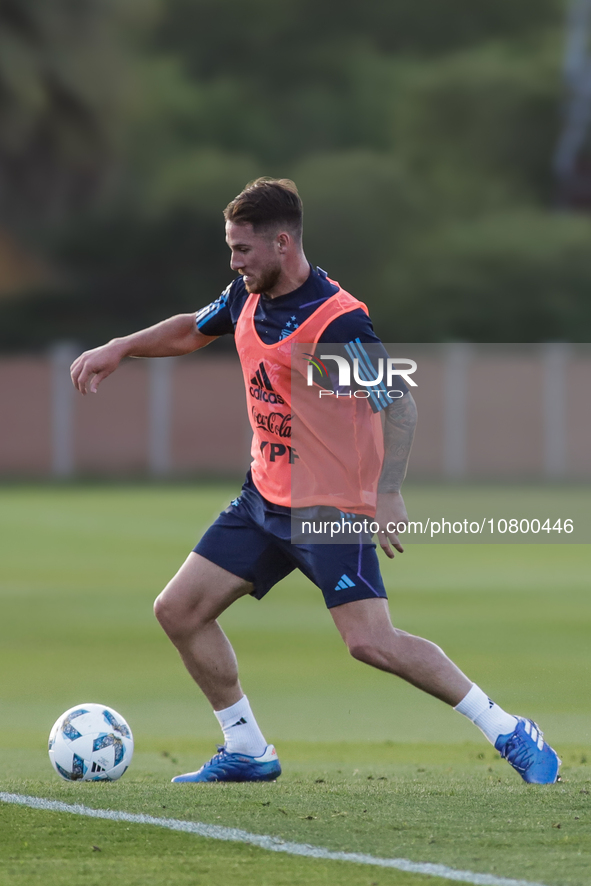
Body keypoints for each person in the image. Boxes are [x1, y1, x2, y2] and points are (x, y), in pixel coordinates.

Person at [70, 177, 560, 785]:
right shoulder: (246, 298)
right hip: (262, 498)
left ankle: (509, 729)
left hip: (327, 507)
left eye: (242, 250)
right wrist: (121, 347)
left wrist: (386, 490)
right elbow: (193, 330)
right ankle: (247, 748)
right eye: (230, 248)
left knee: (371, 643)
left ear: (282, 243)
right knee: (178, 610)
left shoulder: (334, 322)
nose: (234, 261)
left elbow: (397, 401)